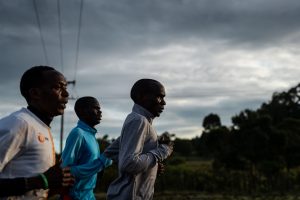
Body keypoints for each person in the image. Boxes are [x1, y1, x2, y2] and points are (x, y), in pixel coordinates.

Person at [0, 66, 74, 199]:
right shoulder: (19, 124)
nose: (66, 94)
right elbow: (39, 180)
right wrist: (41, 181)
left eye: (66, 88)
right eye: (58, 88)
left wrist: (54, 186)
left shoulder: (40, 125)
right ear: (35, 93)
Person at [104, 78, 174, 200]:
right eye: (159, 97)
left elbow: (112, 152)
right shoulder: (138, 120)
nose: (163, 103)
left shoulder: (141, 121)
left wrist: (150, 167)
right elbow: (129, 163)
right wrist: (161, 152)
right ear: (142, 96)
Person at [61, 96, 112, 200]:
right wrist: (102, 161)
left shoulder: (91, 136)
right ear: (82, 111)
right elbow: (66, 171)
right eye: (96, 108)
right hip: (75, 196)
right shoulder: (77, 133)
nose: (100, 111)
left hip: (89, 195)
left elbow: (93, 167)